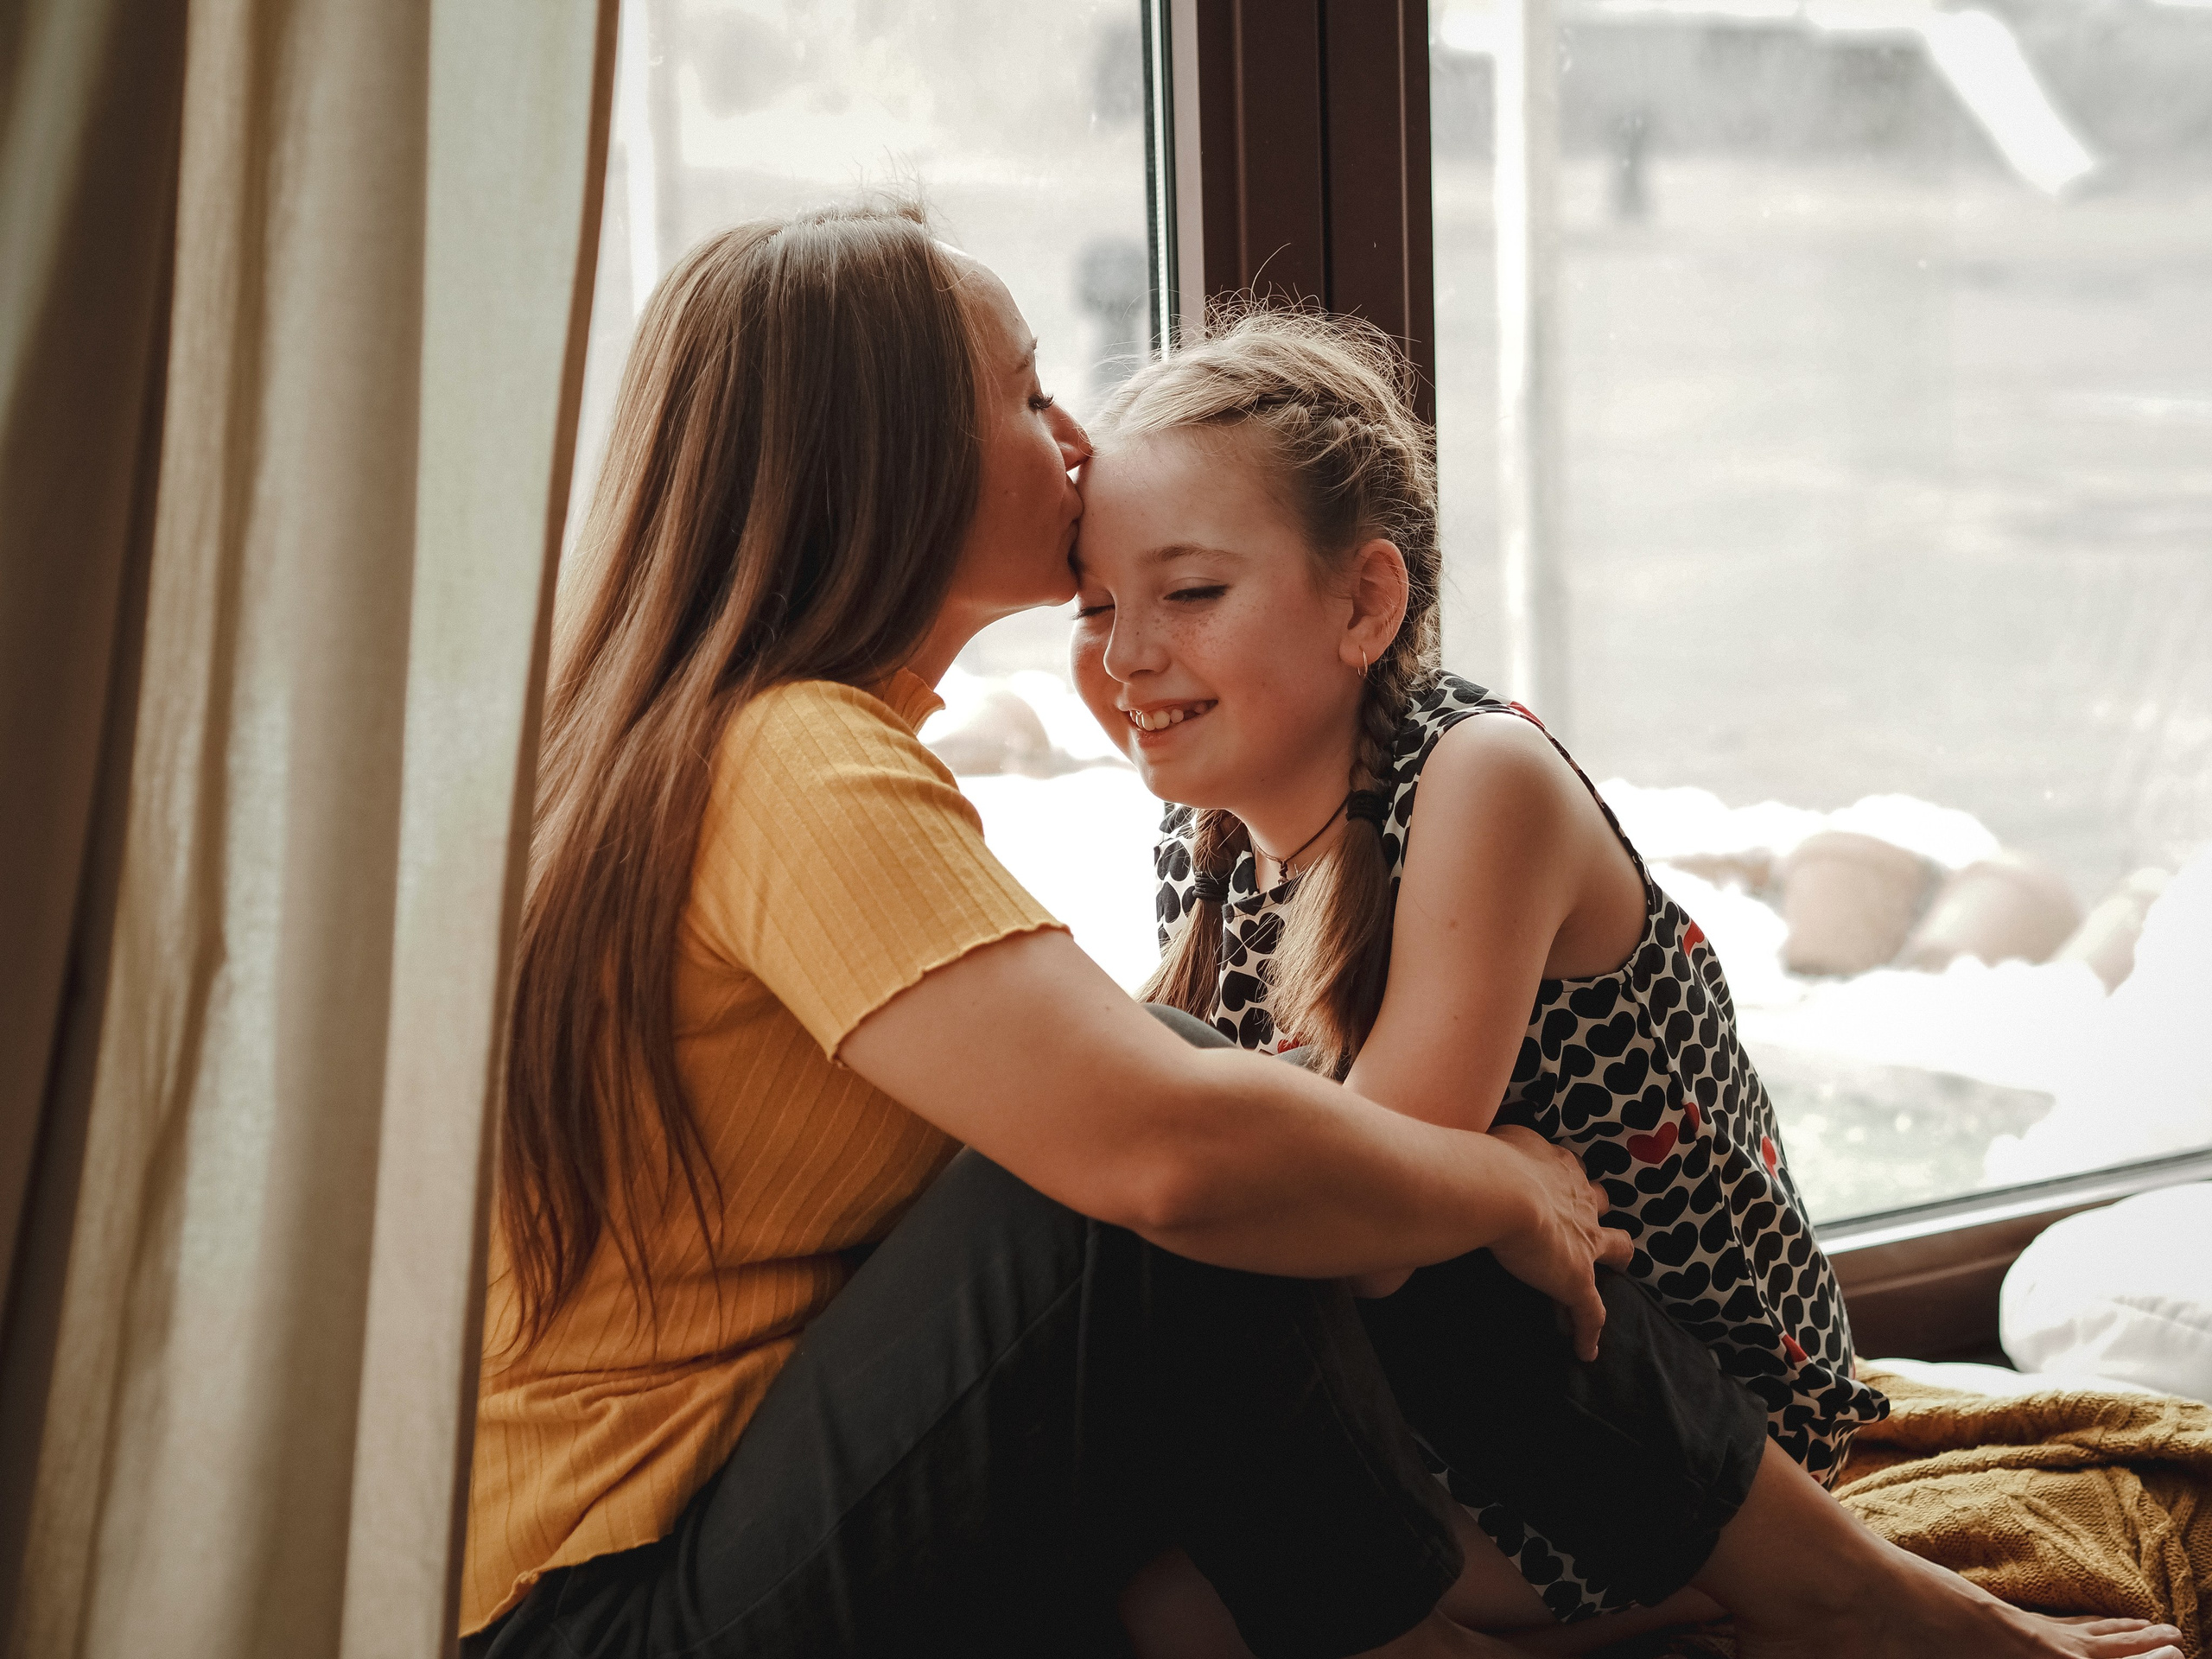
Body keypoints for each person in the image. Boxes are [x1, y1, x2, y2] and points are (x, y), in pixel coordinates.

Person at [459, 200, 2183, 1659]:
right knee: (1231, 1157)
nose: (1068, 444)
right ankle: (1811, 1605)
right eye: (1023, 392)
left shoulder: (729, 746)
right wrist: (1493, 1180)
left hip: (692, 1534)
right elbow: (1161, 1157)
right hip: (626, 1607)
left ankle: (1806, 1600)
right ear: (883, 451)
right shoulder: (794, 763)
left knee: (1267, 1150)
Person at [1071, 305, 1886, 1643]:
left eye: (1192, 593)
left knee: (1175, 1601)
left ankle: (1747, 1596)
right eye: (1097, 605)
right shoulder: (1207, 833)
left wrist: (1470, 1176)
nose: (1126, 655)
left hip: (1664, 1426)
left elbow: (1376, 1218)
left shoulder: (1477, 779)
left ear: (1367, 603)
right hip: (1430, 1390)